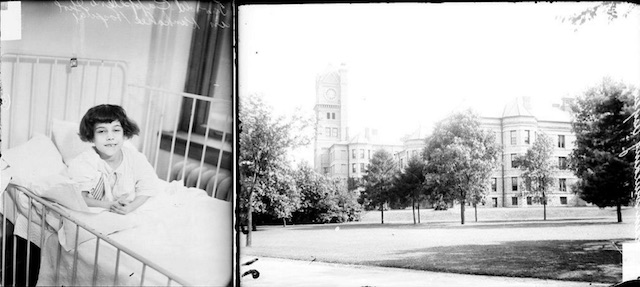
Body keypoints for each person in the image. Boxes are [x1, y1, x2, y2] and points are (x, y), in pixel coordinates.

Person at [68, 104, 160, 214]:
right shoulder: (85, 162)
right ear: (91, 136)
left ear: (124, 133)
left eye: (116, 130)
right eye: (102, 131)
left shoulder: (135, 158)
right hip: (98, 211)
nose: (110, 137)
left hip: (131, 209)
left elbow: (147, 188)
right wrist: (110, 205)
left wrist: (130, 207)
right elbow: (80, 198)